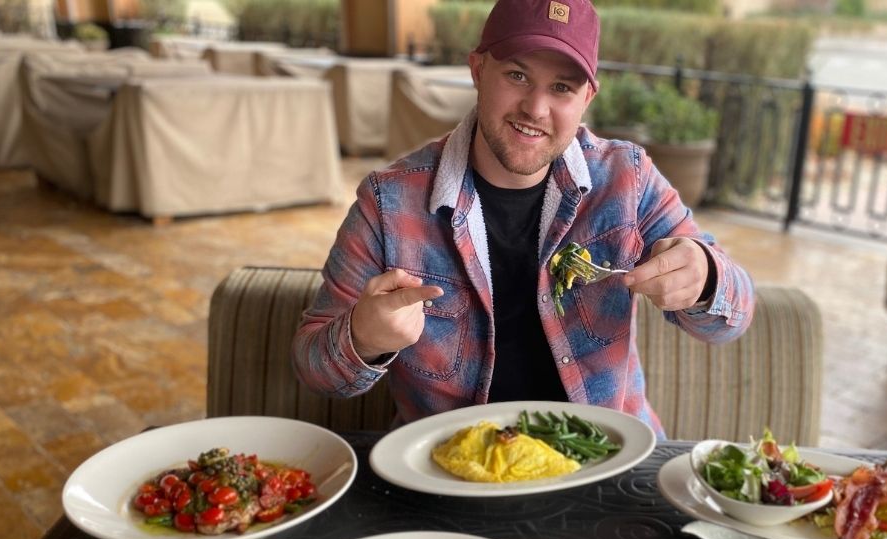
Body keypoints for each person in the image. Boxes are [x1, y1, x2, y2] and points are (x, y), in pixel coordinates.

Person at [292, 0, 754, 439]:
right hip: (450, 474)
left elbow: (733, 318)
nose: (536, 109)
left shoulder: (627, 178)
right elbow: (314, 368)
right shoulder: (389, 201)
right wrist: (364, 337)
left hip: (606, 465)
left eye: (561, 88)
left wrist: (705, 276)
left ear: (587, 98)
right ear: (478, 70)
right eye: (517, 75)